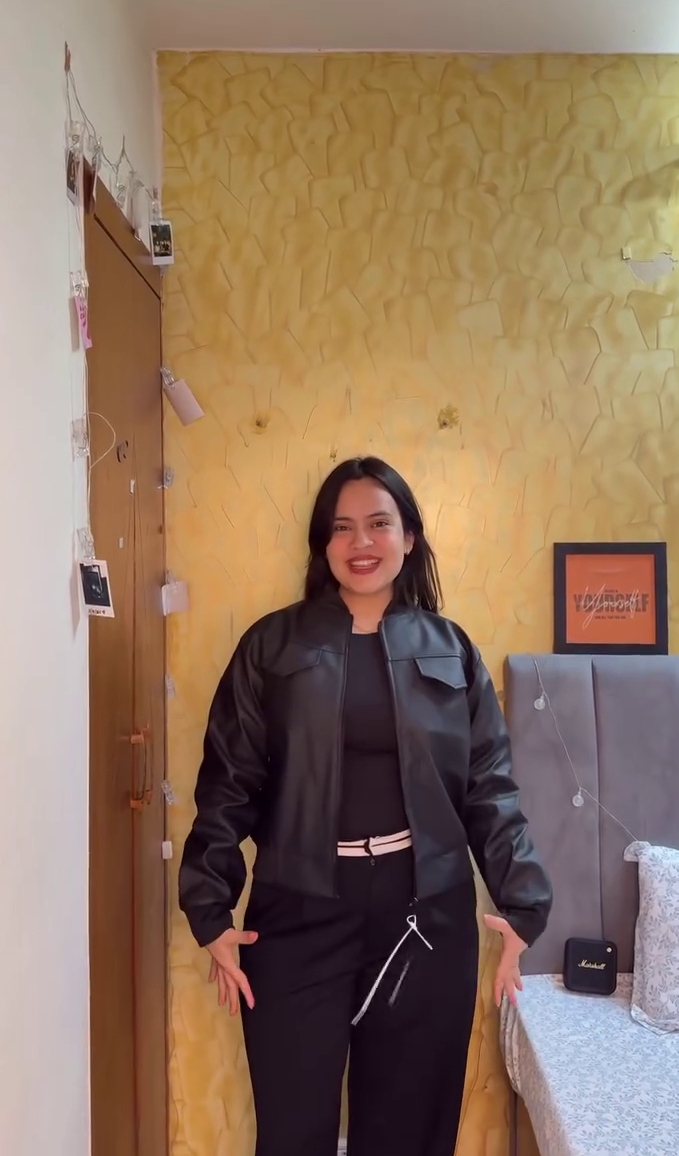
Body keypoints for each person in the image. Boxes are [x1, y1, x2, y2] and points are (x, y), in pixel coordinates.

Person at [179, 456, 552, 1156]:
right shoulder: (272, 646)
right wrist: (210, 909)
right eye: (342, 527)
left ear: (409, 537)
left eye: (379, 524)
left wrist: (524, 901)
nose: (361, 543)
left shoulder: (451, 650)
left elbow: (488, 786)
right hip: (298, 912)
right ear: (323, 543)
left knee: (409, 1132)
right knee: (293, 1129)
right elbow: (228, 780)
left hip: (425, 915)